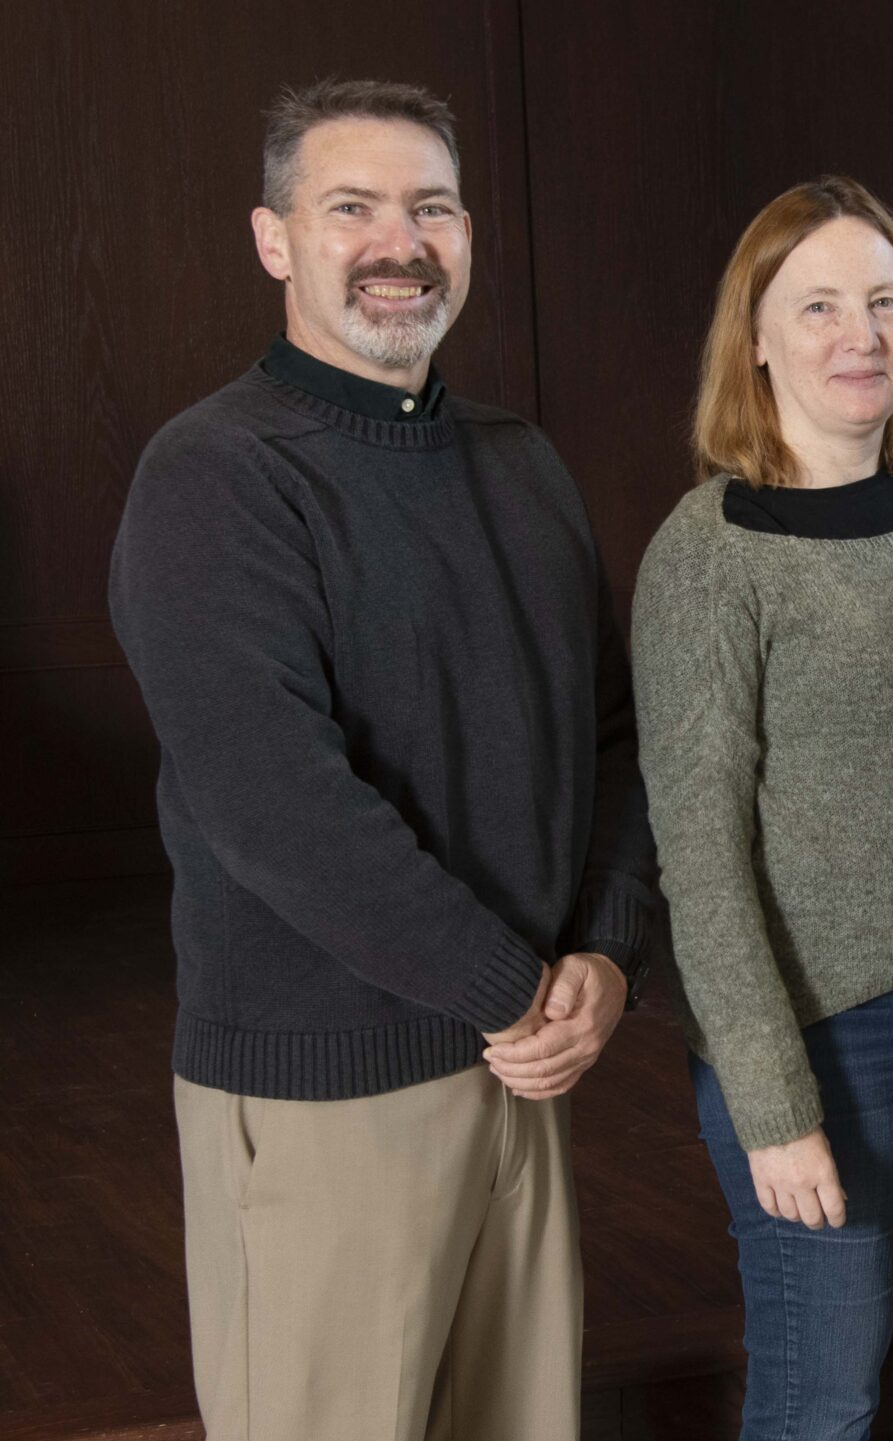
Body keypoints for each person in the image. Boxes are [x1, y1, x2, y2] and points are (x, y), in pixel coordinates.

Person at [106, 79, 656, 1440]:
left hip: (524, 1071)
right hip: (326, 1085)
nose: (397, 243)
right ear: (274, 240)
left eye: (431, 207)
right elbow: (270, 803)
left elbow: (613, 739)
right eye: (349, 208)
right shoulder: (215, 475)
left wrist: (610, 953)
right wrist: (511, 987)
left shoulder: (522, 465)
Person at [630, 176, 893, 1439]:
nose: (860, 334)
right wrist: (772, 1106)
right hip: (827, 1041)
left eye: (884, 301)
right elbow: (696, 864)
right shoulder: (709, 555)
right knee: (820, 1403)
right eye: (818, 306)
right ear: (754, 338)